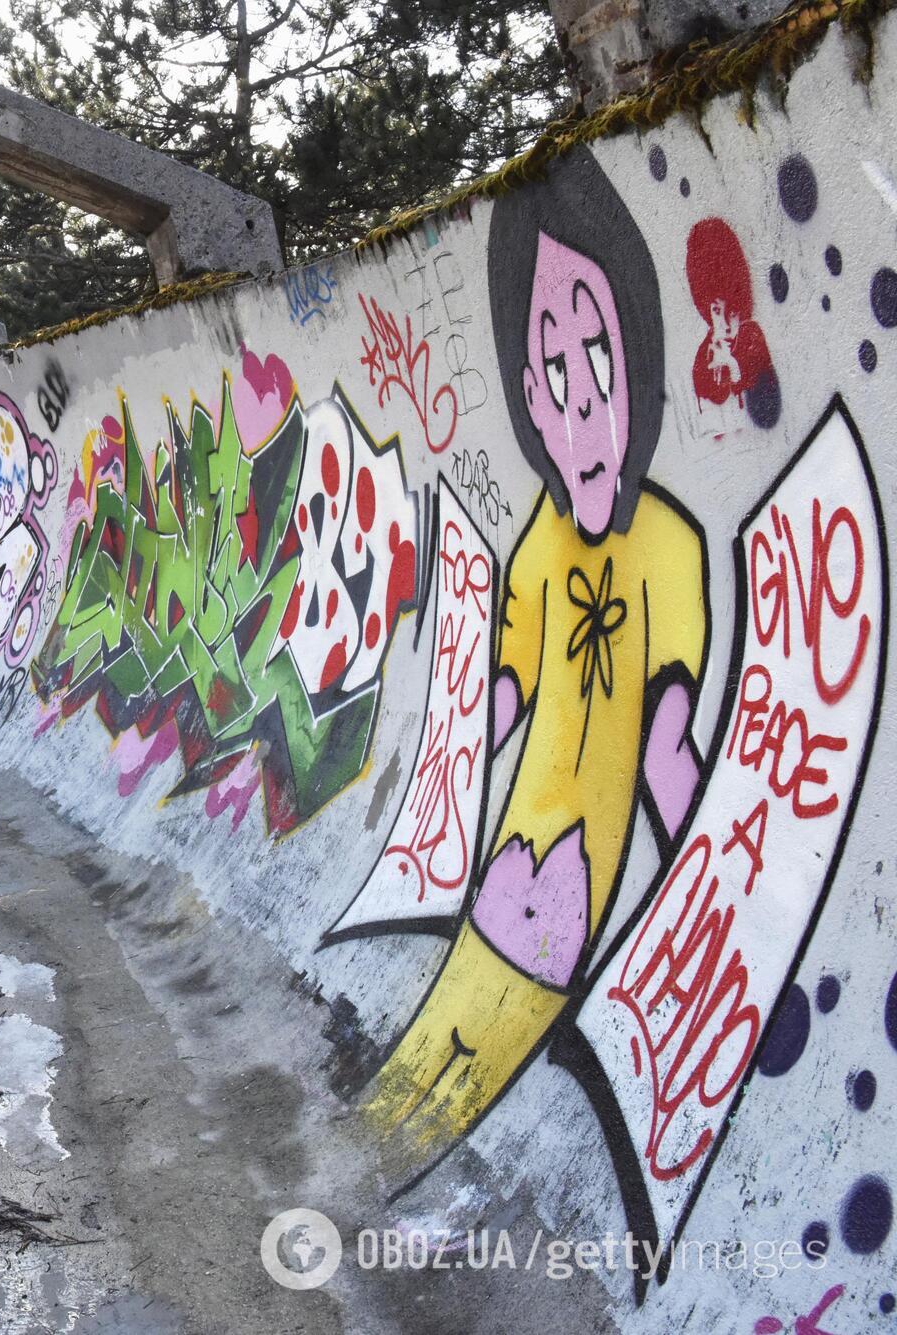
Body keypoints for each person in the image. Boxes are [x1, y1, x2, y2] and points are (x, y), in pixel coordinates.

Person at [367, 151, 709, 1174]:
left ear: (640, 349)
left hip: (574, 894)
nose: (578, 405)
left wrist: (700, 920)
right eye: (551, 371)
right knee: (415, 1087)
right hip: (506, 876)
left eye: (597, 352)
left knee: (443, 1094)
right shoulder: (537, 545)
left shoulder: (672, 549)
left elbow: (666, 757)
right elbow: (497, 700)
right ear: (523, 393)